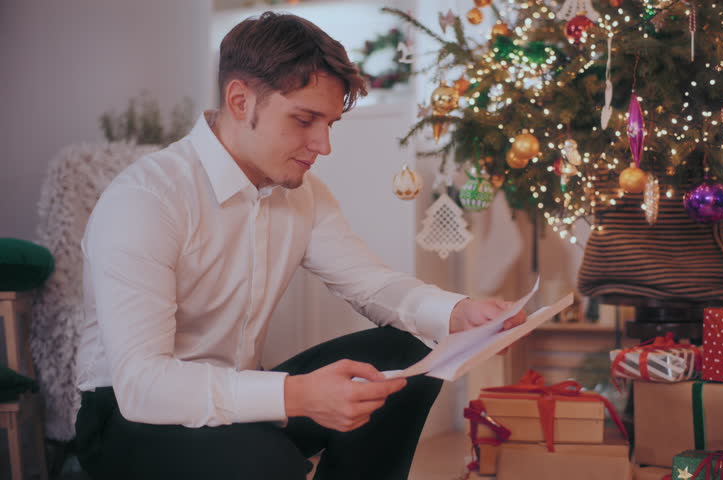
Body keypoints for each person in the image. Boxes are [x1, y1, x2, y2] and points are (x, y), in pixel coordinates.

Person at [73, 11, 526, 480]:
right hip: (130, 417)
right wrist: (295, 395)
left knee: (402, 360)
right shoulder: (146, 199)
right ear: (240, 100)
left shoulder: (302, 194)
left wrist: (459, 312)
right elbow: (142, 385)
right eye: (305, 119)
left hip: (242, 395)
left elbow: (372, 286)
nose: (323, 145)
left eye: (329, 123)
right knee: (268, 463)